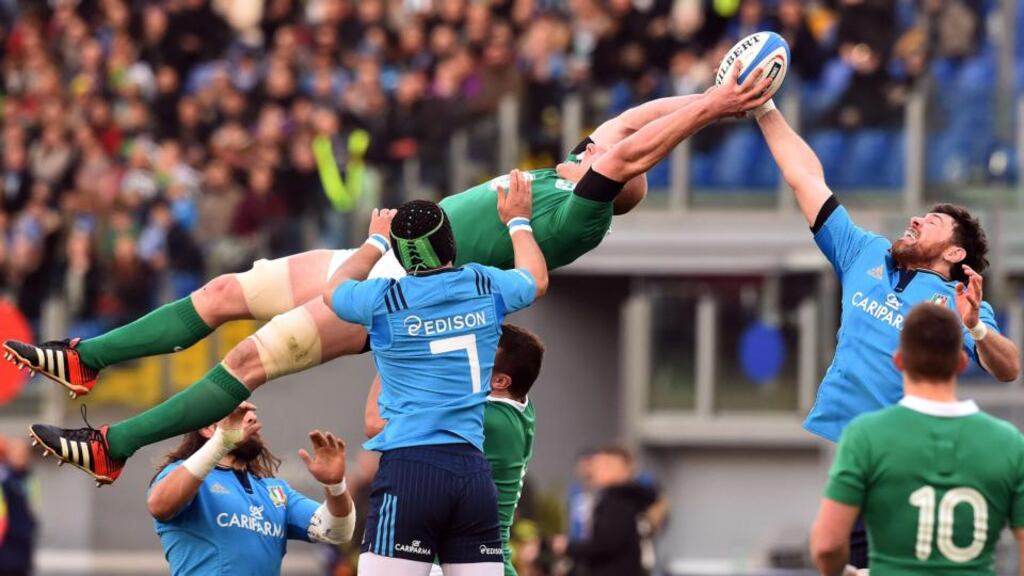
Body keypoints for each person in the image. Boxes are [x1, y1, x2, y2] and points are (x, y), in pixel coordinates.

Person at [13, 63, 772, 485]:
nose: (603, 146)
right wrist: (713, 87)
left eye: (610, 159)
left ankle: (118, 444)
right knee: (222, 294)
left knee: (248, 359)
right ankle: (89, 358)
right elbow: (626, 124)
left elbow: (624, 152)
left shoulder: (581, 209)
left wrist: (715, 108)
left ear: (612, 183)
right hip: (378, 250)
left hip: (396, 291)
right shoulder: (568, 172)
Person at [752, 98, 1021, 566]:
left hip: (906, 456)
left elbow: (1009, 368)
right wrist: (764, 109)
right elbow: (807, 179)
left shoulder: (957, 305)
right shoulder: (865, 253)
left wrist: (976, 326)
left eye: (932, 222)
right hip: (856, 450)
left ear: (955, 256)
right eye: (918, 216)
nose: (915, 220)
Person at [329, 174, 547, 575]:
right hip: (470, 469)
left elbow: (335, 289)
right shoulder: (482, 283)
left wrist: (375, 241)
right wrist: (518, 220)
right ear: (451, 244)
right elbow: (536, 279)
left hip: (411, 467)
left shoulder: (385, 299)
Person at [810, 303, 1024, 575]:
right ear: (960, 363)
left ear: (899, 361)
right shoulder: (1009, 444)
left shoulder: (866, 437)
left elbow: (826, 546)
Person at [365, 323, 545, 576]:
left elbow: (376, 423)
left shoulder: (483, 416)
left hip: (470, 562)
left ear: (501, 381)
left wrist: (396, 348)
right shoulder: (517, 404)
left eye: (478, 354)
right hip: (481, 561)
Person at [142, 401, 356, 575]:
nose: (253, 418)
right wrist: (221, 443)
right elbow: (159, 505)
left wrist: (335, 485)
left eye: (252, 413)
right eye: (239, 412)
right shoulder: (185, 475)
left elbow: (337, 532)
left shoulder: (276, 491)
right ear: (208, 429)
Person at [552, 446, 660, 576]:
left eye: (606, 466)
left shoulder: (619, 503)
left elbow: (605, 544)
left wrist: (568, 546)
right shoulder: (617, 498)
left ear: (624, 470)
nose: (597, 470)